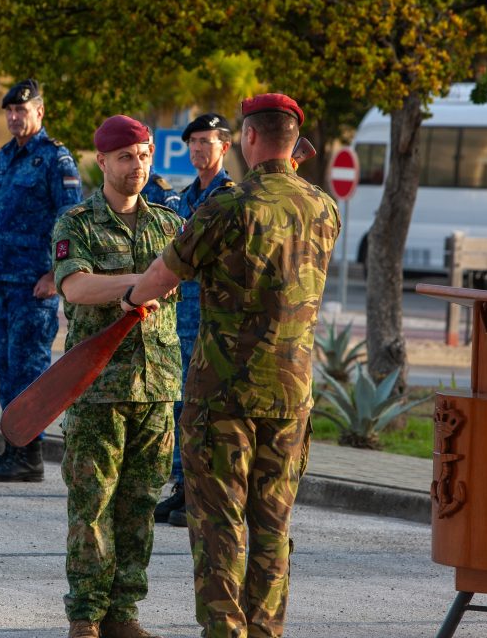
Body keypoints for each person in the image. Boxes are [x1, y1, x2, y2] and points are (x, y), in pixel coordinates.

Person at [123, 93, 340, 637]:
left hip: (224, 396)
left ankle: (225, 632)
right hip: (291, 395)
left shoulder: (227, 207)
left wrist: (131, 298)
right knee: (272, 526)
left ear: (247, 138)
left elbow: (160, 279)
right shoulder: (324, 207)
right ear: (294, 142)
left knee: (219, 524)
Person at [52, 115, 182, 638]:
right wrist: (139, 284)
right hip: (98, 387)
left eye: (145, 155)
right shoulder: (77, 222)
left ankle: (124, 613)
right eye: (126, 157)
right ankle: (86, 614)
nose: (138, 166)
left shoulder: (170, 226)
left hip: (156, 386)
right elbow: (76, 288)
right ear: (102, 161)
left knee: (140, 505)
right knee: (92, 504)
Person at [0, 78, 83, 482]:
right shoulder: (4, 156)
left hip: (34, 284)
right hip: (1, 281)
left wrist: (56, 274)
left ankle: (30, 452)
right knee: (5, 367)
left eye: (23, 110)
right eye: (10, 111)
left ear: (40, 112)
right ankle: (13, 448)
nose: (15, 117)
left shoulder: (56, 159)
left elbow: (71, 217)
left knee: (29, 368)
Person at [154, 112, 235, 528]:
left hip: (214, 320)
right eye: (193, 142)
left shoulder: (231, 196)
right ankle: (183, 486)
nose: (198, 149)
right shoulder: (184, 199)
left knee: (207, 409)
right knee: (182, 407)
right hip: (180, 318)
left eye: (206, 141)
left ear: (225, 145)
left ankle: (204, 494)